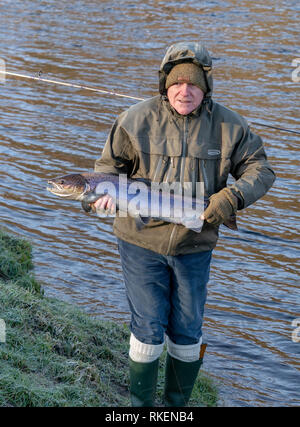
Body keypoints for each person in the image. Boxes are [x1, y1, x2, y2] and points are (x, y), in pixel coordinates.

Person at [91, 42, 275, 407]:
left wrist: (231, 198)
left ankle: (177, 408)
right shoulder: (134, 119)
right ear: (165, 85)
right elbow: (107, 170)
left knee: (188, 331)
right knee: (148, 325)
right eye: (176, 83)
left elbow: (261, 169)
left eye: (193, 84)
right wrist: (101, 201)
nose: (184, 91)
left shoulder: (231, 126)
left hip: (195, 244)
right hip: (140, 241)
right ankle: (141, 408)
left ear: (206, 86)